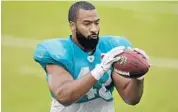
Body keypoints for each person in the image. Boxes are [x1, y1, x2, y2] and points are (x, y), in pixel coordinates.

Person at [33, 1, 150, 112]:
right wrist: (99, 70)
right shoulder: (59, 52)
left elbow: (130, 98)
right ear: (72, 26)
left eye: (96, 23)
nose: (94, 29)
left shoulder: (111, 48)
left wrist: (138, 76)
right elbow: (64, 96)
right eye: (87, 23)